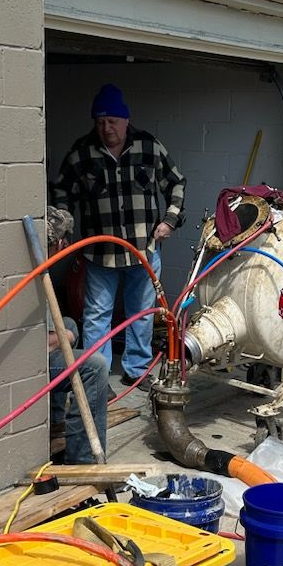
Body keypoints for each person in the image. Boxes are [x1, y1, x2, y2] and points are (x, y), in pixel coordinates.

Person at [50, 84, 186, 390]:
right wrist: (64, 227)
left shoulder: (149, 147)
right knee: (97, 316)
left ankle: (136, 369)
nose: (106, 128)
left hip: (143, 251)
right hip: (100, 254)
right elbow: (61, 191)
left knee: (141, 314)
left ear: (125, 120)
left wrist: (170, 220)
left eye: (112, 121)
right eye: (99, 122)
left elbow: (176, 183)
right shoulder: (81, 153)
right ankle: (98, 375)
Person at [48, 316, 109, 465]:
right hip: (27, 358)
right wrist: (62, 337)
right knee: (95, 367)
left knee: (69, 323)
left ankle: (56, 421)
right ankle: (83, 459)